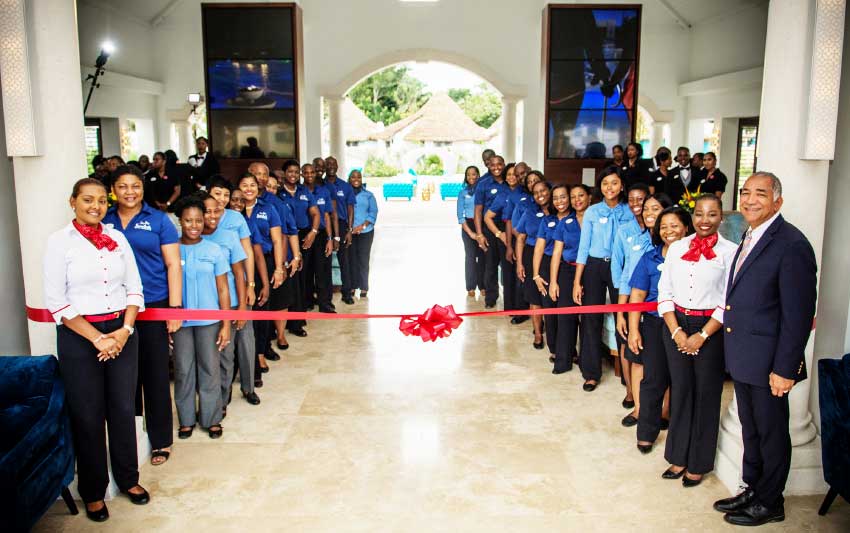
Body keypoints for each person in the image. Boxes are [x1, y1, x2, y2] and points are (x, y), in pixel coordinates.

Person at [714, 172, 817, 526]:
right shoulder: (749, 234)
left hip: (770, 362)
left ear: (778, 201)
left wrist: (785, 369)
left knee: (772, 434)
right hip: (744, 356)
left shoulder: (791, 244)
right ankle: (753, 490)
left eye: (760, 193)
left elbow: (798, 315)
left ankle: (771, 501)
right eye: (745, 193)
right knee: (751, 430)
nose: (750, 200)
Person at [44, 178, 149, 521]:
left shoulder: (117, 238)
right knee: (88, 415)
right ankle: (93, 492)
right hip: (79, 336)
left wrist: (123, 331)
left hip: (121, 331)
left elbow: (134, 288)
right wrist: (97, 338)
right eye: (88, 200)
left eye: (103, 200)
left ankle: (128, 479)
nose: (96, 206)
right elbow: (57, 303)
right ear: (72, 201)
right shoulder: (60, 243)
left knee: (122, 407)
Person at [103, 166, 182, 467]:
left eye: (135, 186)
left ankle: (161, 439)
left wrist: (174, 310)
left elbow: (173, 265)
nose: (130, 192)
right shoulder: (104, 221)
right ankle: (132, 436)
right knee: (125, 377)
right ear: (113, 189)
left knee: (156, 374)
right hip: (115, 308)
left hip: (154, 304)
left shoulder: (159, 220)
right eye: (122, 186)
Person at [657, 194, 737, 487]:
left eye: (712, 214)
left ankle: (699, 462)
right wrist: (677, 331)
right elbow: (664, 292)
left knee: (706, 394)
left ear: (721, 218)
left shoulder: (731, 252)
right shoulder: (677, 248)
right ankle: (678, 456)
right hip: (676, 323)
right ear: (692, 217)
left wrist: (702, 335)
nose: (705, 220)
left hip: (711, 328)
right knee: (681, 390)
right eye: (700, 214)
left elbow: (729, 300)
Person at [627, 206, 692, 453]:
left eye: (674, 225)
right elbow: (638, 295)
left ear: (686, 227)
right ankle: (646, 432)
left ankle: (680, 435)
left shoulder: (697, 257)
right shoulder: (650, 258)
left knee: (682, 381)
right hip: (655, 324)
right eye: (663, 227)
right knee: (653, 378)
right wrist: (634, 330)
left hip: (687, 325)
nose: (668, 231)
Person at [170, 196, 231, 440]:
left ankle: (211, 418)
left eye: (198, 220)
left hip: (210, 322)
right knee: (183, 370)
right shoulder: (172, 249)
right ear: (180, 221)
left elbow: (224, 289)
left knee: (210, 369)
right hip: (181, 323)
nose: (194, 225)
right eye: (188, 220)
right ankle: (186, 419)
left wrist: (226, 323)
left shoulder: (213, 250)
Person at [573, 167, 632, 391]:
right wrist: (578, 281)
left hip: (622, 267)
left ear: (622, 185)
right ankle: (590, 372)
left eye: (614, 183)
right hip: (595, 266)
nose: (609, 187)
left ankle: (629, 373)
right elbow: (583, 248)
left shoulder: (629, 211)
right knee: (590, 319)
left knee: (624, 315)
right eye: (605, 183)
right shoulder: (592, 212)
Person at [200, 194, 261, 410]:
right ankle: (221, 397)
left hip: (234, 300)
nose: (213, 215)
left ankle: (248, 387)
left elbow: (239, 271)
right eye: (208, 211)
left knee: (240, 346)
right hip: (208, 305)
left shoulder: (229, 234)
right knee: (220, 353)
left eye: (217, 210)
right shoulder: (191, 237)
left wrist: (245, 301)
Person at [238, 173, 286, 384]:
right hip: (236, 266)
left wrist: (278, 268)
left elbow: (277, 241)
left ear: (258, 188)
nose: (248, 189)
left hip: (263, 264)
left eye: (252, 185)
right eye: (244, 185)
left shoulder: (268, 209)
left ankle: (259, 354)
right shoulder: (232, 210)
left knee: (261, 309)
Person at [612, 183, 651, 412]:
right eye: (633, 200)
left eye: (641, 200)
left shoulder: (659, 229)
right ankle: (630, 391)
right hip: (630, 295)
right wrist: (621, 305)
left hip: (655, 299)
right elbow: (620, 267)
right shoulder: (625, 230)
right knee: (627, 345)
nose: (637, 205)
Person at [531, 184, 574, 373]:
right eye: (556, 198)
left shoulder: (577, 219)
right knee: (550, 311)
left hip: (569, 267)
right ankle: (556, 350)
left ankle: (569, 351)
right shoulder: (547, 220)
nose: (560, 201)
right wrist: (536, 275)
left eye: (563, 197)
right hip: (548, 267)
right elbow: (539, 249)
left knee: (568, 314)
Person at [549, 183, 590, 372]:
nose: (577, 200)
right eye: (573, 197)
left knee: (588, 319)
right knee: (565, 316)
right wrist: (553, 282)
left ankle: (586, 362)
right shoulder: (565, 223)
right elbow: (556, 253)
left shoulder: (595, 219)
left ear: (589, 197)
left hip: (591, 272)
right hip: (568, 271)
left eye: (581, 195)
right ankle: (563, 361)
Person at [279, 159, 320, 332]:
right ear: (284, 174)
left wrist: (313, 232)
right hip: (283, 237)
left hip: (303, 237)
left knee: (301, 280)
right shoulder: (278, 194)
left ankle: (297, 320)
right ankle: (281, 321)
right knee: (286, 279)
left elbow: (315, 213)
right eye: (290, 171)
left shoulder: (304, 191)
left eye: (296, 172)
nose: (293, 175)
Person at [515, 178, 553, 352]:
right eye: (536, 193)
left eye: (543, 191)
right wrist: (520, 264)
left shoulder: (558, 211)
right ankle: (538, 333)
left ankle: (555, 335)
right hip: (531, 255)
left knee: (551, 296)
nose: (540, 195)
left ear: (549, 191)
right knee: (534, 298)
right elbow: (521, 237)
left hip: (552, 255)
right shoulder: (529, 211)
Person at [484, 163, 523, 318]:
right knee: (508, 273)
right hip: (507, 236)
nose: (512, 177)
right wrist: (499, 234)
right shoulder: (502, 194)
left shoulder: (525, 191)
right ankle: (511, 308)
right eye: (509, 175)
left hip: (524, 236)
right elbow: (487, 217)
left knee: (521, 273)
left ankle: (523, 308)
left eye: (515, 174)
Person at [474, 155, 508, 308]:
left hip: (508, 225)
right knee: (490, 265)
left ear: (504, 164)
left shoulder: (510, 181)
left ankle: (510, 299)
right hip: (489, 226)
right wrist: (479, 234)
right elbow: (478, 211)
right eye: (493, 165)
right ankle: (491, 298)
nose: (496, 167)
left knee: (508, 264)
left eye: (499, 164)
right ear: (488, 166)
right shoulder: (483, 184)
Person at [302, 163, 336, 312]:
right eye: (306, 172)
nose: (309, 175)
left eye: (312, 172)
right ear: (302, 174)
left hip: (321, 234)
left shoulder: (323, 191)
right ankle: (307, 301)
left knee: (322, 271)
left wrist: (330, 238)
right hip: (304, 234)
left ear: (316, 173)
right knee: (306, 271)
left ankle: (325, 303)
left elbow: (327, 216)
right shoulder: (299, 192)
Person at [323, 156, 357, 304]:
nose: (331, 166)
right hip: (324, 226)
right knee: (325, 262)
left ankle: (347, 293)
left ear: (337, 167)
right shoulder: (321, 185)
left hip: (342, 225)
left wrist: (349, 230)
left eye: (333, 164)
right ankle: (326, 295)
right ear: (324, 167)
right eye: (328, 164)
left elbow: (350, 209)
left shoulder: (345, 186)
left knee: (345, 260)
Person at [348, 170, 378, 297]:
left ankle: (364, 286)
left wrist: (362, 226)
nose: (356, 179)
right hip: (349, 233)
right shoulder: (346, 194)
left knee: (363, 259)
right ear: (349, 179)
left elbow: (373, 212)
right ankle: (353, 286)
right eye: (353, 177)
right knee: (351, 259)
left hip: (366, 232)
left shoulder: (369, 195)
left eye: (358, 177)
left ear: (361, 179)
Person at [458, 165, 485, 298]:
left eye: (474, 174)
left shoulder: (482, 191)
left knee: (482, 257)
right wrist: (471, 233)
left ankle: (483, 285)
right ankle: (470, 286)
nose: (471, 177)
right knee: (470, 257)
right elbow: (460, 216)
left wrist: (480, 232)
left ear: (478, 175)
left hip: (481, 225)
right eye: (468, 175)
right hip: (468, 226)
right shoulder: (463, 192)